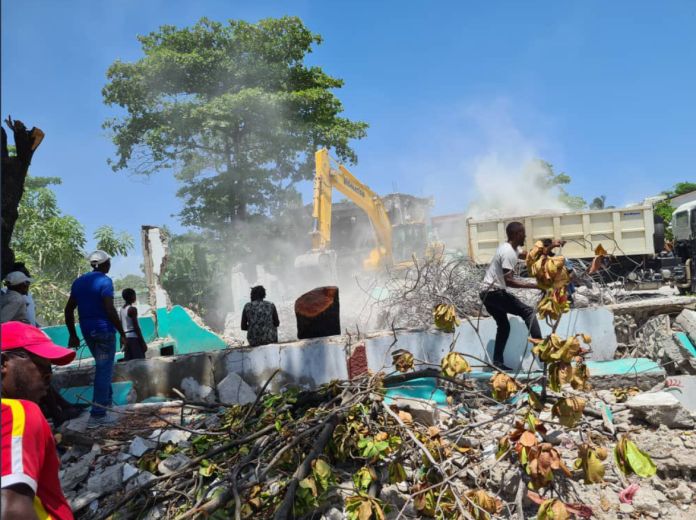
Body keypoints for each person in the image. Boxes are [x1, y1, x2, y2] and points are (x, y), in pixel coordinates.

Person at [1, 321, 77, 520]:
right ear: (3, 363)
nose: (49, 375)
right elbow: (12, 510)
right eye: (40, 364)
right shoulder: (20, 413)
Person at [64, 250, 126, 427]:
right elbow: (109, 309)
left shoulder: (78, 282)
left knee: (103, 367)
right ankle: (98, 415)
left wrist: (73, 335)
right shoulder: (105, 281)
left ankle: (106, 404)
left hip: (86, 330)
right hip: (104, 331)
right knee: (104, 369)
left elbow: (68, 310)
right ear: (106, 264)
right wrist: (122, 332)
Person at [479, 222, 550, 371]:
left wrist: (551, 248)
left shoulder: (511, 248)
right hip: (493, 292)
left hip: (486, 293)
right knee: (528, 312)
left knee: (504, 326)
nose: (525, 235)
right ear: (517, 234)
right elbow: (509, 281)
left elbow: (530, 256)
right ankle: (542, 351)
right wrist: (536, 285)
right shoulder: (508, 253)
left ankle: (497, 362)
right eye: (523, 232)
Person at [541, 239, 577, 306]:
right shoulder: (541, 261)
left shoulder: (559, 258)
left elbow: (572, 273)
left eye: (546, 246)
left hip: (564, 293)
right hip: (549, 295)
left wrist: (566, 283)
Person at [120, 288, 148, 360]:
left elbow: (121, 324)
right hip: (134, 338)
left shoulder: (122, 309)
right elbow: (136, 327)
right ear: (131, 296)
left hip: (126, 337)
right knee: (139, 361)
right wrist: (143, 342)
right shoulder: (132, 309)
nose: (135, 297)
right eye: (134, 295)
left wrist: (122, 337)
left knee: (129, 362)